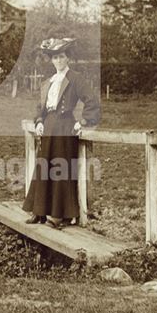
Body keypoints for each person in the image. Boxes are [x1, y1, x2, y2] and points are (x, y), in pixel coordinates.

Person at [22, 37, 101, 228]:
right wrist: (39, 121)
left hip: (65, 126)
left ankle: (58, 215)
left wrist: (83, 121)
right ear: (51, 60)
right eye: (55, 57)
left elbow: (92, 101)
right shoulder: (49, 81)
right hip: (48, 126)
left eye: (62, 56)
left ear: (68, 58)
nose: (58, 60)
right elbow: (41, 107)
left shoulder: (75, 78)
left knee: (60, 170)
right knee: (43, 168)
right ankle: (39, 212)